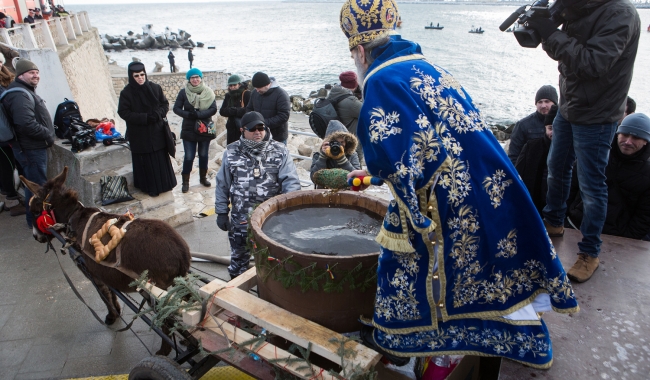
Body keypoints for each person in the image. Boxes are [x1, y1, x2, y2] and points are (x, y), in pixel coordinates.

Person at [339, 0, 577, 367]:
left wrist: (409, 211)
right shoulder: (430, 66)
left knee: (402, 254)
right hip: (488, 182)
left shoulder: (383, 80)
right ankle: (525, 342)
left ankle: (402, 336)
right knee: (493, 265)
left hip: (446, 195)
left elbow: (395, 159)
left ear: (359, 50)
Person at [526, 0, 641, 283]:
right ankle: (554, 222)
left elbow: (593, 63)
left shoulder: (620, 13)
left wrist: (550, 32)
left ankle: (589, 252)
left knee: (591, 184)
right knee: (557, 165)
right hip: (570, 104)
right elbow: (563, 52)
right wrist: (542, 23)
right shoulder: (578, 4)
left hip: (599, 113)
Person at [215, 111, 300, 278]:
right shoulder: (231, 152)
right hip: (240, 219)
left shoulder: (279, 150)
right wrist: (221, 212)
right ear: (242, 130)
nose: (258, 132)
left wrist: (290, 212)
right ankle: (237, 294)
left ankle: (268, 294)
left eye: (261, 127)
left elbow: (291, 183)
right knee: (239, 261)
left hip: (271, 219)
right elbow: (222, 184)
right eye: (252, 128)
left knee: (273, 260)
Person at [567, 113, 650, 241]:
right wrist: (565, 218)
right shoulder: (594, 155)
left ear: (646, 141)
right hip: (575, 225)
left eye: (635, 137)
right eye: (625, 135)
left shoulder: (647, 174)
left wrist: (625, 240)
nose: (628, 141)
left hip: (617, 238)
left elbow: (644, 217)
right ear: (617, 133)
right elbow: (570, 187)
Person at [2, 59, 55, 227]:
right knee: (36, 187)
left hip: (27, 148)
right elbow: (25, 124)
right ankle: (36, 223)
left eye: (37, 72)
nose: (36, 75)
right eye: (31, 72)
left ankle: (35, 220)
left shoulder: (20, 91)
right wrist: (48, 133)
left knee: (32, 185)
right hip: (30, 149)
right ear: (21, 75)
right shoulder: (19, 95)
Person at [117, 62, 176, 197]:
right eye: (136, 76)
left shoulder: (155, 88)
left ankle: (166, 184)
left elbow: (164, 104)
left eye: (142, 75)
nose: (140, 78)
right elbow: (123, 112)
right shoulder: (126, 93)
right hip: (139, 135)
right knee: (146, 162)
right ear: (132, 77)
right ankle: (150, 188)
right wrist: (144, 118)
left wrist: (157, 115)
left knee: (160, 159)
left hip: (157, 132)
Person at [173, 67, 217, 193]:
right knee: (189, 156)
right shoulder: (183, 92)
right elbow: (176, 108)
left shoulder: (208, 92)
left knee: (203, 155)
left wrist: (198, 114)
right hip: (188, 129)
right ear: (189, 79)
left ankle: (203, 178)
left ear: (201, 78)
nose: (195, 79)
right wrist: (188, 114)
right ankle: (185, 182)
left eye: (197, 77)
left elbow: (213, 109)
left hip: (204, 128)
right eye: (193, 77)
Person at [515, 105, 557, 215]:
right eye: (550, 128)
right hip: (533, 204)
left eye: (557, 128)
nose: (553, 132)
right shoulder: (531, 147)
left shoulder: (572, 151)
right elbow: (518, 173)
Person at [507, 85, 558, 165]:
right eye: (540, 102)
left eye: (547, 101)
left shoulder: (564, 123)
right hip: (531, 172)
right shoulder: (523, 125)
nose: (543, 105)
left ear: (555, 103)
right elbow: (514, 156)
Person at [310, 120, 361, 188]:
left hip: (346, 194)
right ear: (327, 142)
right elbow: (314, 178)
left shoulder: (352, 155)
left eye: (341, 142)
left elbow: (358, 179)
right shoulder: (319, 156)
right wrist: (322, 157)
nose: (337, 146)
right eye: (334, 142)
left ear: (346, 142)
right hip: (324, 194)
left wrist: (342, 160)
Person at [328, 71, 364, 163]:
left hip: (336, 139)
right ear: (354, 84)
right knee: (355, 170)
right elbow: (368, 112)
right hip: (351, 142)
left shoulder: (334, 94)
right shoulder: (351, 102)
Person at [245, 72, 291, 144]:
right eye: (255, 88)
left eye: (259, 87)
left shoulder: (281, 95)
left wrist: (261, 124)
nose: (257, 90)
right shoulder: (255, 93)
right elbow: (249, 109)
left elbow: (283, 116)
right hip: (258, 136)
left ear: (267, 84)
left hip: (277, 137)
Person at [219, 74, 251, 144]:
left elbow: (250, 110)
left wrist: (235, 110)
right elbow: (222, 111)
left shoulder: (246, 94)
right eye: (230, 86)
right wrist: (232, 111)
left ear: (239, 84)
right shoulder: (228, 95)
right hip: (231, 127)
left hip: (243, 127)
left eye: (234, 85)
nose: (232, 87)